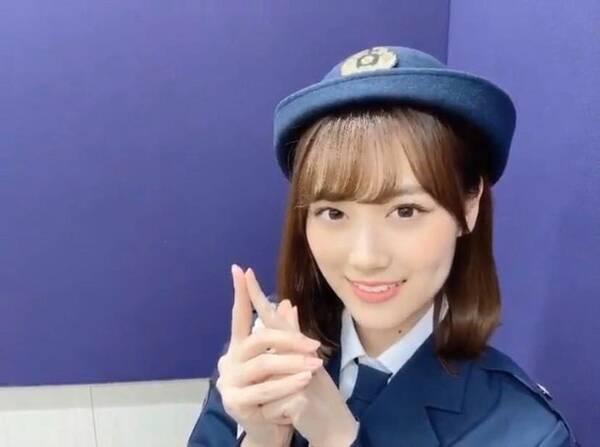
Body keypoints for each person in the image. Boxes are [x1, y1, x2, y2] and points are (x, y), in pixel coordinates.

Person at [188, 46, 579, 446]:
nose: (366, 258)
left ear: (469, 205)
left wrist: (336, 437)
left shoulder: (525, 432)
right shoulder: (265, 353)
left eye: (405, 211)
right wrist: (262, 438)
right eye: (333, 213)